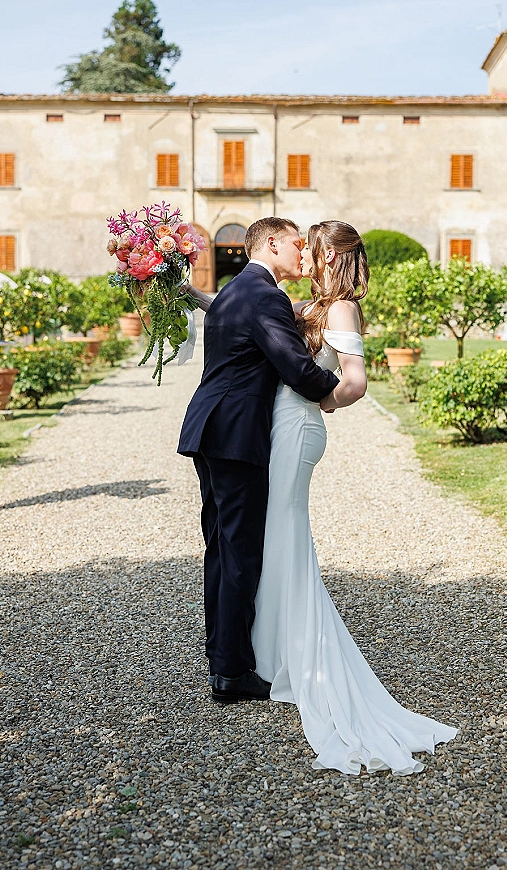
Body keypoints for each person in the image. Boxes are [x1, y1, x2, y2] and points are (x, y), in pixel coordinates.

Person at [251, 220, 458, 775]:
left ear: (329, 257)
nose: (305, 257)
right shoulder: (315, 304)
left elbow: (356, 381)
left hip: (298, 429)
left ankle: (293, 658)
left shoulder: (341, 309)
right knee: (279, 533)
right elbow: (246, 312)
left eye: (311, 250)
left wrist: (320, 403)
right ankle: (276, 653)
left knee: (286, 532)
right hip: (283, 425)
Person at [177, 217, 339, 704]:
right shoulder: (262, 294)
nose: (302, 252)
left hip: (211, 429)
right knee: (240, 550)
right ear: (271, 243)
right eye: (295, 243)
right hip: (235, 435)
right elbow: (295, 366)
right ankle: (231, 673)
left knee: (222, 548)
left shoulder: (233, 290)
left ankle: (223, 654)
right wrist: (337, 391)